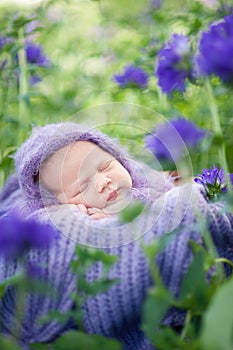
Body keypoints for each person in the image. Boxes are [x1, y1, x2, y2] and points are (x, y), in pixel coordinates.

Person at [0, 122, 233, 350]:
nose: (103, 182)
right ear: (57, 204)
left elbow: (170, 183)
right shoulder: (75, 218)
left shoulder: (144, 182)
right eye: (82, 188)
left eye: (105, 167)